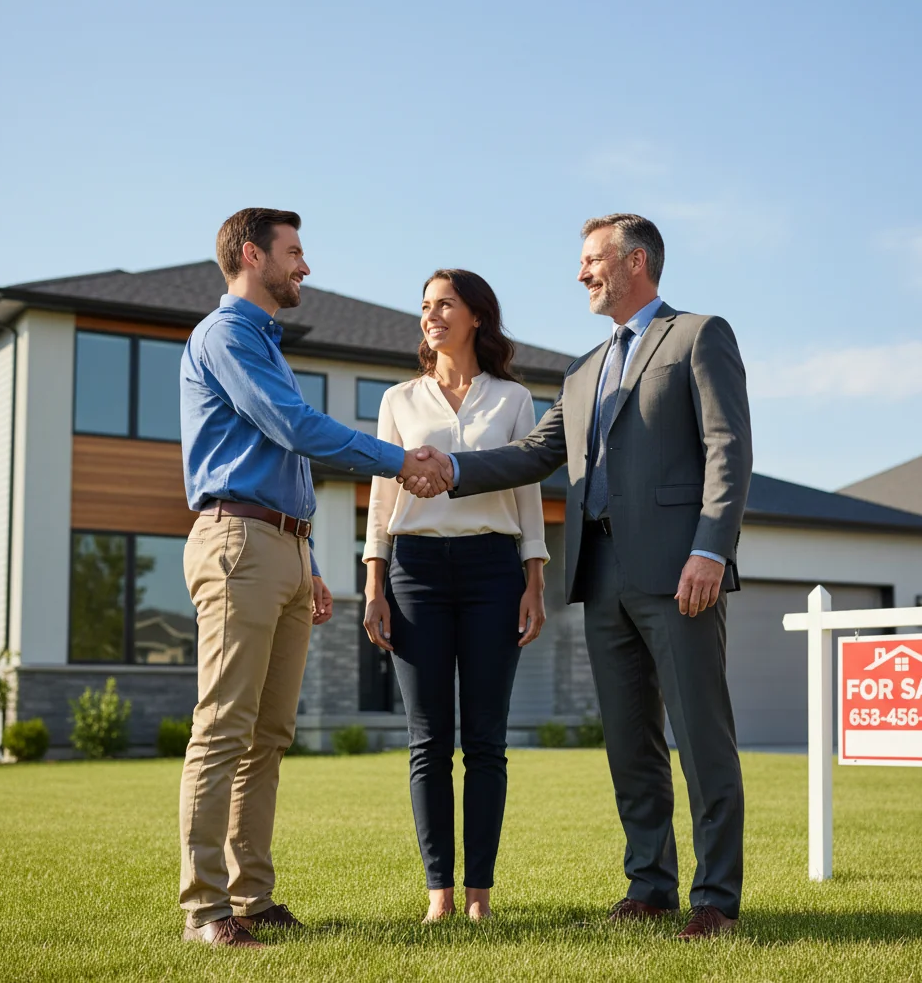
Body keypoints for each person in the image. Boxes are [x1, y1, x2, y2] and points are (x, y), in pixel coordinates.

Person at [405, 214, 753, 939]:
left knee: (701, 736)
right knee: (630, 741)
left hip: (679, 569)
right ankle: (649, 885)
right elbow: (535, 454)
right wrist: (457, 468)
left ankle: (715, 898)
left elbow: (727, 448)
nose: (580, 273)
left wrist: (710, 549)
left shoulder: (697, 336)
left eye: (592, 260)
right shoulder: (582, 369)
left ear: (636, 262)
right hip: (601, 576)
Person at [177, 207, 450, 948]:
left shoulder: (263, 342)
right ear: (250, 254)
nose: (305, 267)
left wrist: (311, 562)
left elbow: (284, 453)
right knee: (223, 728)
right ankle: (206, 909)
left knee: (268, 734)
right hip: (238, 542)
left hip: (281, 549)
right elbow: (292, 426)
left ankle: (252, 897)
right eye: (293, 252)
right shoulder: (228, 334)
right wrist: (399, 460)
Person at [362, 269, 548, 922]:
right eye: (425, 306)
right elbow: (382, 497)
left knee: (487, 741)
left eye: (444, 304)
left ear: (475, 316)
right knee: (427, 740)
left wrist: (533, 579)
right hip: (414, 573)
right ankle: (439, 894)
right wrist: (373, 580)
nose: (431, 316)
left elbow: (528, 494)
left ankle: (479, 898)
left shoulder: (513, 399)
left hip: (494, 571)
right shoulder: (398, 400)